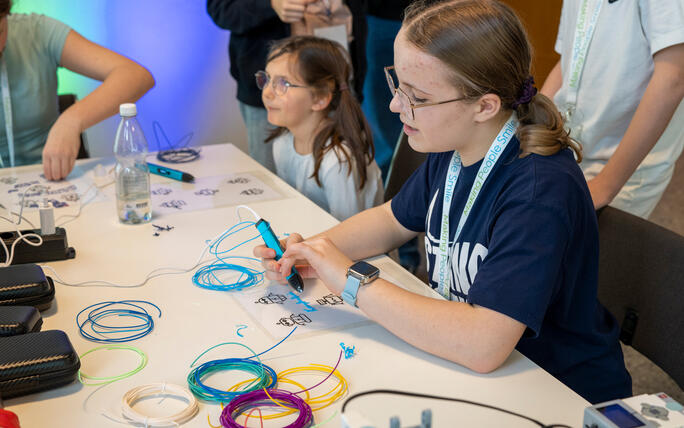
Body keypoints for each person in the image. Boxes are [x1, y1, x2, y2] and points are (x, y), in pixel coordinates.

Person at [255, 0, 632, 404]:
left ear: (484, 106)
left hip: (554, 390)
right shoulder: (456, 147)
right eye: (397, 84)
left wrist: (349, 278)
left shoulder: (539, 191)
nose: (395, 105)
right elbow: (391, 219)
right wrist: (312, 251)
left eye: (416, 96)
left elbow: (483, 344)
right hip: (473, 366)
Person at [541, 0, 684, 218]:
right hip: (571, 147)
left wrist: (605, 185)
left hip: (620, 166)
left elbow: (673, 77)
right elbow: (568, 61)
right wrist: (530, 125)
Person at [207, 0, 367, 173]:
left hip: (337, 77)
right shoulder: (270, 93)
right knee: (272, 182)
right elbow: (221, 9)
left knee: (341, 169)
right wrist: (270, 4)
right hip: (268, 91)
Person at [0, 1, 155, 180]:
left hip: (50, 179)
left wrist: (72, 120)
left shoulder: (37, 32)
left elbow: (137, 76)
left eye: (0, 31)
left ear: (6, 16)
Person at [259, 36, 383, 221]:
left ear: (320, 97)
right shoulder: (282, 142)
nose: (267, 92)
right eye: (268, 79)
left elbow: (349, 237)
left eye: (283, 83)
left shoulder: (338, 161)